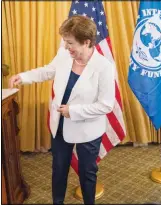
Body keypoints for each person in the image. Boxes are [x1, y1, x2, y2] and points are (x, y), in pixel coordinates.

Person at [8, 15, 115, 204]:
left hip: (88, 130)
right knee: (58, 169)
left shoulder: (104, 67)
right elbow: (48, 71)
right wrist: (22, 77)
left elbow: (106, 104)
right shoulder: (65, 54)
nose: (66, 47)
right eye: (65, 42)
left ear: (87, 42)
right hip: (59, 125)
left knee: (87, 173)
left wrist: (74, 111)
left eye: (70, 43)